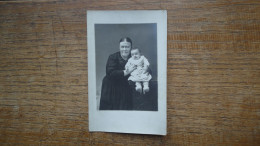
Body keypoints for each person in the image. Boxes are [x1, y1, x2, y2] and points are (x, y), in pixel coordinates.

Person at [99, 37, 136, 110]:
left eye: (127, 47)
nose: (124, 49)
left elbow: (145, 68)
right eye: (122, 47)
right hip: (111, 87)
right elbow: (110, 73)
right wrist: (127, 71)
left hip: (125, 86)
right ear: (119, 47)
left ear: (131, 47)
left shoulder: (134, 57)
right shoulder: (113, 57)